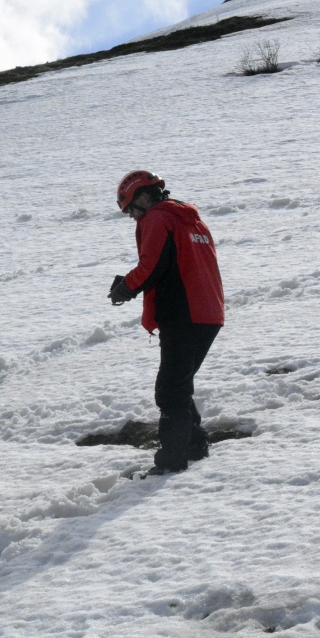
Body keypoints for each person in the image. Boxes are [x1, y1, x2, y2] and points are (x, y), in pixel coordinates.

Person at [108, 170, 225, 474]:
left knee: (170, 390)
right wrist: (132, 283)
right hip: (207, 313)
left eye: (132, 210)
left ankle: (172, 461)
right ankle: (194, 444)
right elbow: (173, 263)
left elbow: (152, 265)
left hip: (183, 314)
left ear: (144, 197)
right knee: (179, 385)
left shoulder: (159, 218)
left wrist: (126, 287)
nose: (134, 218)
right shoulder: (191, 220)